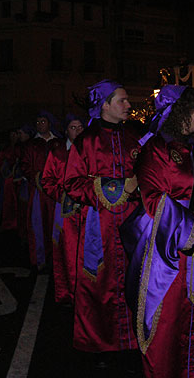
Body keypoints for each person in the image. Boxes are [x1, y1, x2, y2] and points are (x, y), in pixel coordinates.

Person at [121, 85, 194, 377]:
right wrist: (193, 229)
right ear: (179, 112)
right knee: (167, 323)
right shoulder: (155, 149)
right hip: (166, 249)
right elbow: (153, 197)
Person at [63, 80, 141, 362]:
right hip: (100, 224)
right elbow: (71, 182)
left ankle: (133, 340)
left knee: (135, 279)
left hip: (134, 224)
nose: (128, 105)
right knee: (100, 284)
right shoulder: (86, 141)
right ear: (105, 105)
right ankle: (100, 343)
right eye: (122, 100)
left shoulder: (136, 137)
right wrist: (113, 188)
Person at [41, 113, 85, 304]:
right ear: (66, 130)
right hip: (65, 212)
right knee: (66, 251)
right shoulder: (57, 153)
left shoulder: (91, 151)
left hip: (87, 210)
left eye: (80, 127)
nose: (77, 131)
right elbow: (47, 180)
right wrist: (64, 196)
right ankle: (69, 291)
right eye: (73, 127)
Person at [20, 111, 62, 270]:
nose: (40, 124)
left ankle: (57, 258)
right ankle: (40, 258)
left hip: (56, 192)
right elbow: (25, 166)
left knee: (56, 224)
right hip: (38, 191)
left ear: (49, 123)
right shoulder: (31, 145)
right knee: (38, 224)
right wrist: (35, 177)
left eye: (43, 121)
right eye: (37, 122)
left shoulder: (58, 142)